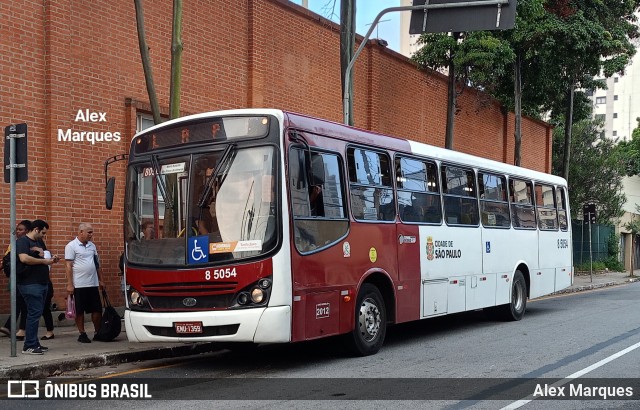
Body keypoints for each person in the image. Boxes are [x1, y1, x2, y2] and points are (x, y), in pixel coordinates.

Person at [16, 219, 60, 354]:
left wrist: (52, 259)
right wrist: (44, 261)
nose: (43, 236)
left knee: (36, 314)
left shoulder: (39, 242)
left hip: (42, 283)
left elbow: (44, 257)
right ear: (36, 229)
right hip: (30, 283)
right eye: (43, 233)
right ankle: (29, 345)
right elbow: (24, 258)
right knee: (33, 314)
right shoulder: (23, 242)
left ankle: (34, 343)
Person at [65, 222, 104, 343]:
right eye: (89, 232)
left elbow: (97, 264)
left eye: (91, 232)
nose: (91, 235)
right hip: (79, 284)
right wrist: (70, 284)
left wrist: (101, 280)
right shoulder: (71, 246)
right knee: (79, 310)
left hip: (92, 283)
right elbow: (68, 266)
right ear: (81, 232)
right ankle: (82, 333)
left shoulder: (92, 246)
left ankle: (98, 332)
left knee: (97, 309)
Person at [0, 220, 31, 339]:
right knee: (20, 302)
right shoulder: (14, 243)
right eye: (17, 229)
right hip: (16, 277)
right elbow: (7, 259)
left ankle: (17, 328)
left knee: (22, 303)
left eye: (21, 229)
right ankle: (17, 329)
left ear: (27, 231)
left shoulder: (29, 243)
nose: (17, 232)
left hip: (25, 278)